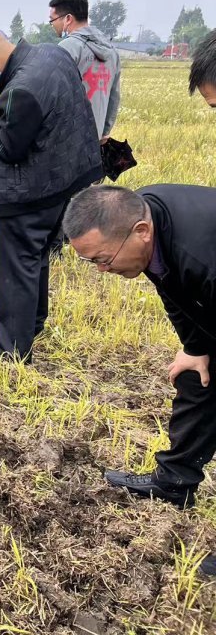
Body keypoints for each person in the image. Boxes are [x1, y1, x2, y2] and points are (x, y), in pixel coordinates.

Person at [64, 185, 216, 514]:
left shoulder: (200, 256)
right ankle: (173, 483)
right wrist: (195, 346)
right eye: (92, 262)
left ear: (142, 232)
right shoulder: (140, 216)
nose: (102, 270)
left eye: (103, 259)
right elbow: (171, 286)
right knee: (195, 372)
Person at [0, 28, 102, 360]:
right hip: (64, 182)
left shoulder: (21, 90)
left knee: (16, 268)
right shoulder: (53, 54)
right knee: (36, 258)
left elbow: (6, 147)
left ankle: (12, 352)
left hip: (30, 192)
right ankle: (32, 325)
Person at [48, 0, 121, 141]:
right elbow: (114, 96)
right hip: (95, 138)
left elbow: (52, 94)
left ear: (68, 18)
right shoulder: (112, 51)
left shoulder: (67, 48)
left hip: (68, 140)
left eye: (52, 20)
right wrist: (105, 132)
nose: (52, 25)